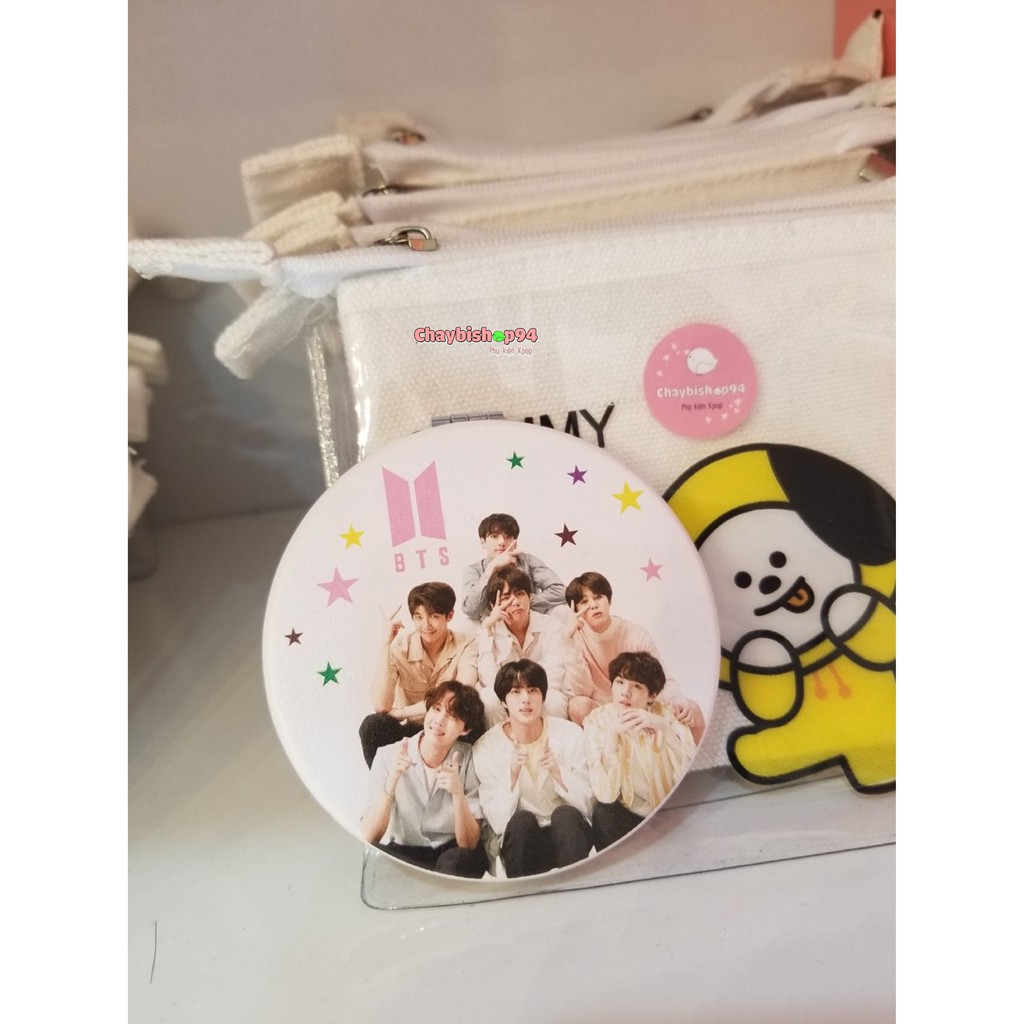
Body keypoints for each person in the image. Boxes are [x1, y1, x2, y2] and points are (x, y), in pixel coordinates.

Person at [472, 660, 594, 877]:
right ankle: (522, 894)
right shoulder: (485, 747)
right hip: (522, 843)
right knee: (522, 822)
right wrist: (512, 775)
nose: (525, 699)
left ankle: (576, 890)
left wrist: (558, 773)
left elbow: (589, 805)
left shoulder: (571, 734)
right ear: (503, 701)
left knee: (565, 815)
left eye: (532, 691)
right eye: (515, 692)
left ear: (543, 698)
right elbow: (497, 822)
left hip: (568, 837)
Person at [361, 681, 489, 877]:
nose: (440, 721)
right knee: (374, 861)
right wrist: (392, 780)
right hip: (405, 849)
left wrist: (457, 794)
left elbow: (469, 843)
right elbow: (369, 835)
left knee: (458, 861)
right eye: (436, 709)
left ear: (465, 729)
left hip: (450, 852)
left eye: (453, 716)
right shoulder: (388, 755)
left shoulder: (469, 758)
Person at [563, 570, 705, 740]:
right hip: (602, 707)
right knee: (577, 706)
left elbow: (661, 678)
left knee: (692, 708)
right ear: (575, 610)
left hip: (638, 702)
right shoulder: (576, 638)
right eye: (584, 602)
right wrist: (569, 642)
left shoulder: (636, 634)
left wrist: (676, 699)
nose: (593, 605)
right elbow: (582, 690)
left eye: (598, 597)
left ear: (609, 600)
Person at [583, 651, 697, 851]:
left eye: (636, 686)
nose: (625, 693)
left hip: (667, 814)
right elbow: (604, 794)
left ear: (652, 695)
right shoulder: (598, 720)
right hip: (627, 816)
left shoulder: (668, 715)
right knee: (603, 814)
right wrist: (612, 735)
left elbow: (691, 782)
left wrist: (666, 730)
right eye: (620, 682)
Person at [359, 581, 479, 769]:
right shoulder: (399, 647)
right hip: (411, 730)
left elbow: (461, 695)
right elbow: (381, 705)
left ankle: (463, 783)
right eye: (418, 617)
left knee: (477, 722)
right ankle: (385, 784)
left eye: (434, 616)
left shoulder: (466, 644)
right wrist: (385, 643)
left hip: (446, 728)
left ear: (449, 615)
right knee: (372, 725)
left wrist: (401, 712)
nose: (426, 625)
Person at [476, 566, 580, 724]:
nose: (515, 602)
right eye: (506, 598)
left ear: (530, 597)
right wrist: (487, 629)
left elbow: (554, 676)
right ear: (493, 606)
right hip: (507, 696)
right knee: (488, 699)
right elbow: (489, 680)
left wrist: (529, 695)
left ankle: (548, 740)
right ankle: (502, 739)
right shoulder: (489, 631)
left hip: (540, 693)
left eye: (520, 594)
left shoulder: (551, 626)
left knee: (554, 701)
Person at [462, 513, 565, 622]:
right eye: (494, 536)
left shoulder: (527, 561)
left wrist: (524, 602)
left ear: (514, 542)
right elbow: (471, 611)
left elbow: (560, 591)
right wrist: (491, 569)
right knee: (467, 624)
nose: (502, 542)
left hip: (527, 619)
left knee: (562, 611)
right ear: (483, 542)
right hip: (494, 622)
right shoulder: (474, 570)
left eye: (507, 537)